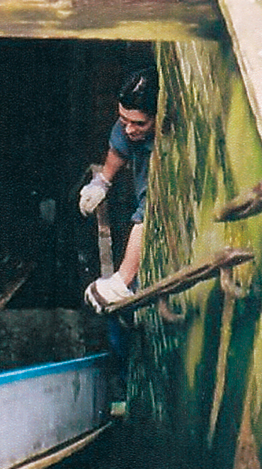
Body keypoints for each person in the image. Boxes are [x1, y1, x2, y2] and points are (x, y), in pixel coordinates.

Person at [80, 67, 158, 313]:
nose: (129, 129)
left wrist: (121, 279)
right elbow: (119, 146)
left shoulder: (159, 156)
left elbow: (145, 216)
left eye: (139, 124)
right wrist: (103, 181)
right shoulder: (129, 128)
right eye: (124, 120)